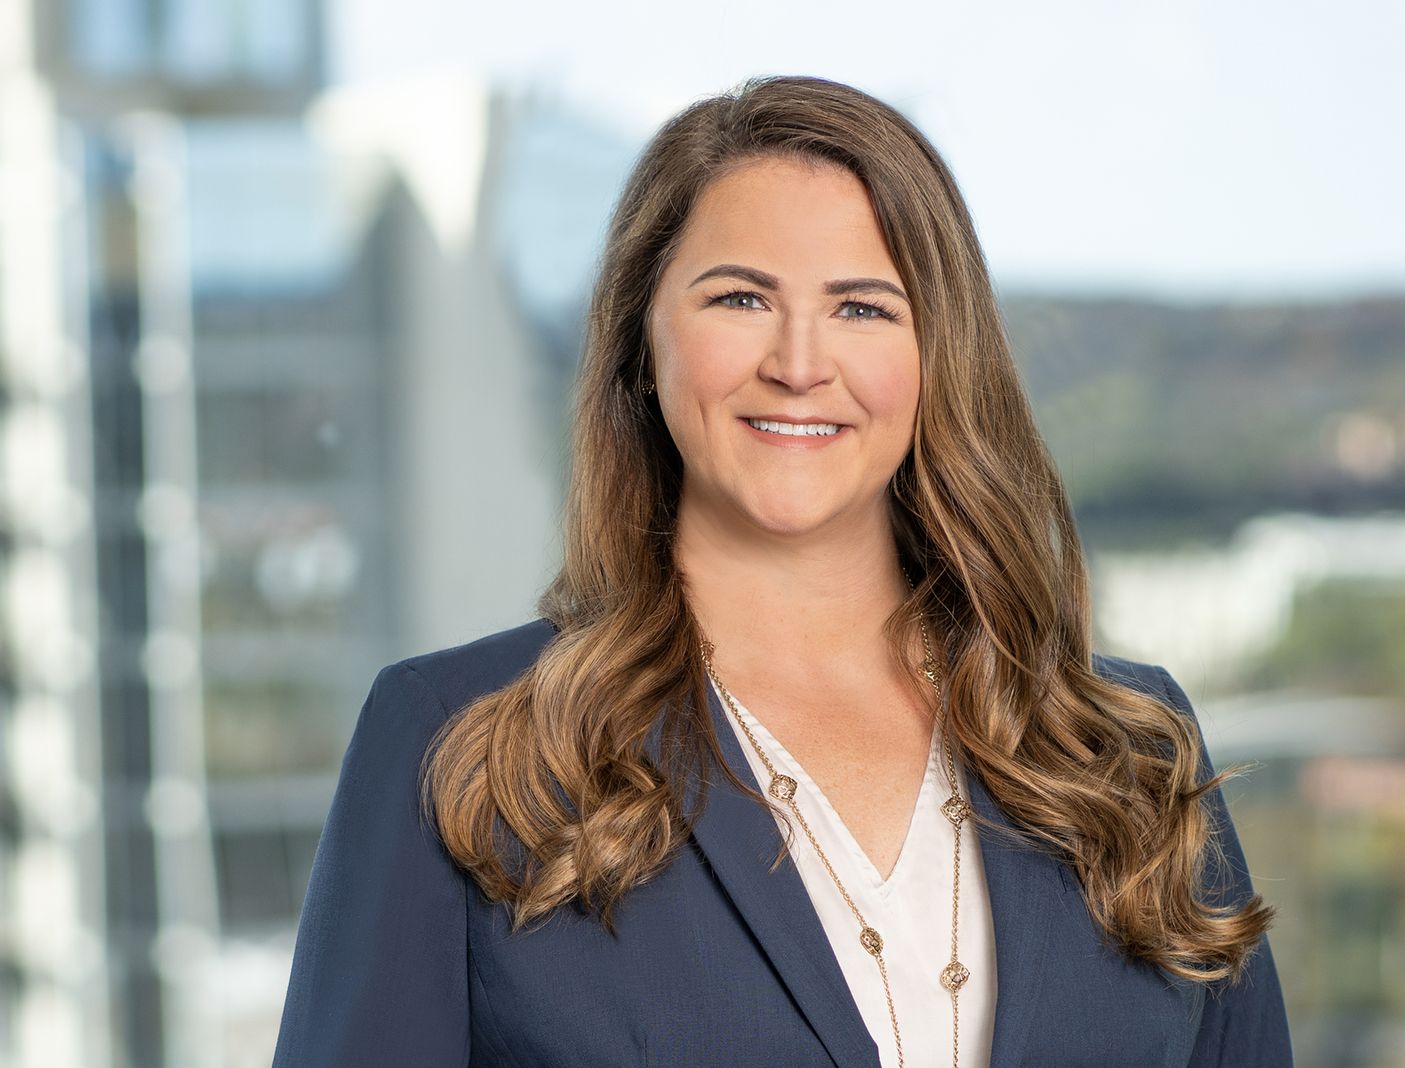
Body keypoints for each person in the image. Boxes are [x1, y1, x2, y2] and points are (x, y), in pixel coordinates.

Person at [271, 74, 1292, 1067]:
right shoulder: (465, 746)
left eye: (862, 308)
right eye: (740, 297)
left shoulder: (1124, 755)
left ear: (938, 355)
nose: (799, 362)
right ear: (642, 341)